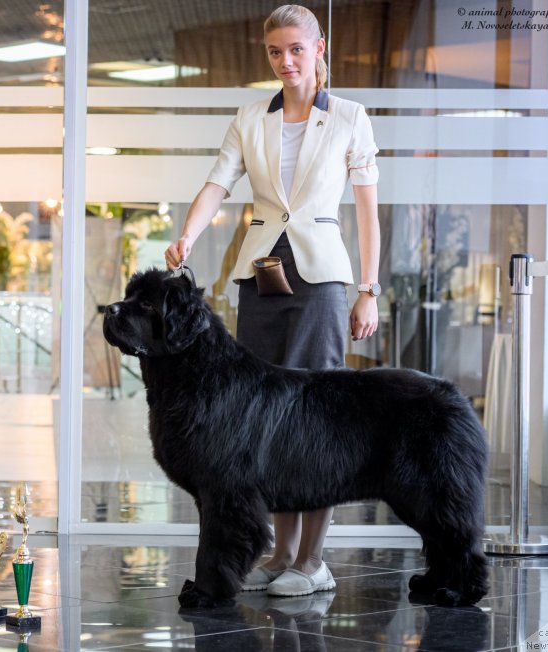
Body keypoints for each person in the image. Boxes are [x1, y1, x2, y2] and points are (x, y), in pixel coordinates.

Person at [164, 4, 380, 597]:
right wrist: (190, 233)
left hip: (322, 280)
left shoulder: (351, 118)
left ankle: (313, 559)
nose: (285, 62)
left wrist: (369, 289)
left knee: (317, 420)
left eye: (295, 49)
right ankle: (281, 553)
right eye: (274, 52)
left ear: (319, 47)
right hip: (259, 277)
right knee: (262, 418)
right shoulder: (250, 117)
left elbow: (367, 213)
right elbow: (218, 181)